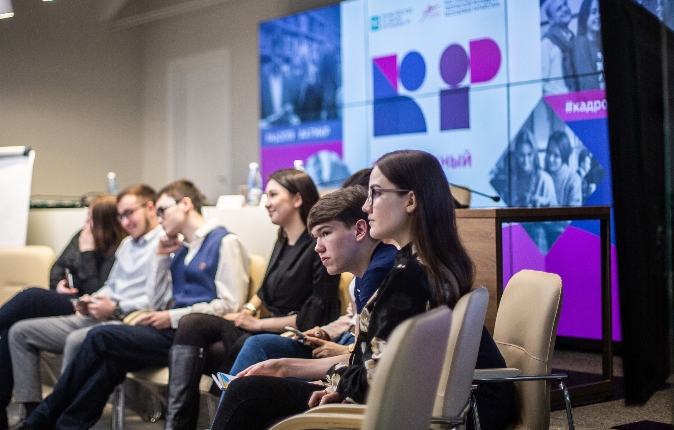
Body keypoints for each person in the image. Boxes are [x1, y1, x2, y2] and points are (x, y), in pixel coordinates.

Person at [210, 150, 514, 430]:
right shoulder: (429, 263)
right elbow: (377, 366)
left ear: (410, 200)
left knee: (246, 392)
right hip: (455, 404)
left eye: (376, 193)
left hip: (435, 411)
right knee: (256, 388)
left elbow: (374, 379)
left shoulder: (408, 276)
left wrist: (335, 381)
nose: (367, 206)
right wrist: (297, 370)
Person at [17, 179, 250, 430]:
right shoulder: (180, 248)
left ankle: (40, 420)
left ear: (185, 204)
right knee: (111, 362)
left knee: (99, 336)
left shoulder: (225, 241)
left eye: (162, 210)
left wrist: (171, 316)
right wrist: (160, 258)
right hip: (170, 329)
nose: (159, 219)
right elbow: (156, 302)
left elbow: (230, 304)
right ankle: (64, 426)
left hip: (194, 336)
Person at [163, 169, 339, 430]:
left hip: (290, 332)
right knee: (193, 324)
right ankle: (179, 423)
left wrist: (257, 323)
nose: (266, 202)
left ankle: (190, 423)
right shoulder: (282, 240)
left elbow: (313, 317)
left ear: (297, 199)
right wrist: (247, 309)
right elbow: (265, 291)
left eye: (273, 195)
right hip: (263, 325)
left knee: (210, 347)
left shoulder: (318, 248)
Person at [0, 194, 126, 430]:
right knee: (11, 329)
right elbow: (57, 268)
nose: (86, 222)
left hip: (92, 310)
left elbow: (97, 291)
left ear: (105, 222)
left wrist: (87, 252)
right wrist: (58, 285)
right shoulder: (82, 235)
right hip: (70, 301)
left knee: (31, 296)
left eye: (91, 218)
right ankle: (4, 410)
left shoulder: (118, 247)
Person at [6, 184, 171, 421]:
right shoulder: (127, 244)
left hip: (129, 320)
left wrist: (115, 307)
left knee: (75, 338)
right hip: (102, 312)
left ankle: (57, 417)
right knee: (20, 332)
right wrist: (90, 300)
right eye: (121, 216)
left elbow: (158, 299)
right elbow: (111, 285)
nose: (125, 222)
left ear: (151, 208)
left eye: (129, 213)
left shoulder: (165, 244)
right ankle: (33, 413)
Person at [228, 185, 396, 375]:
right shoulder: (362, 274)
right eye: (316, 238)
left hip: (361, 377)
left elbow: (367, 365)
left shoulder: (378, 271)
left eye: (325, 233)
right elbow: (361, 353)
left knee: (252, 369)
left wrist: (291, 370)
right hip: (349, 358)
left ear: (359, 229)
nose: (318, 247)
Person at [508, 130, 557, 207]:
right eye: (522, 155)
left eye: (529, 154)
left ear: (534, 154)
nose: (526, 160)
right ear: (516, 154)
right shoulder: (513, 179)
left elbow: (556, 209)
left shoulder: (544, 179)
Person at [541, 0, 577, 94]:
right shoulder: (546, 43)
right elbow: (542, 82)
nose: (565, 9)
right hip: (558, 99)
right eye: (559, 9)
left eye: (565, 4)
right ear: (551, 19)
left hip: (576, 98)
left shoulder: (573, 38)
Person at [573, 0, 603, 91]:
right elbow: (587, 84)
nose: (598, 16)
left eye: (600, 11)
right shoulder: (580, 44)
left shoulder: (601, 42)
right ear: (585, 16)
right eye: (593, 12)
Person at [545, 131, 582, 206]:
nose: (550, 159)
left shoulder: (573, 179)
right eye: (548, 153)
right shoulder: (543, 175)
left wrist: (549, 203)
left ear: (564, 156)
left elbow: (574, 211)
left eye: (556, 156)